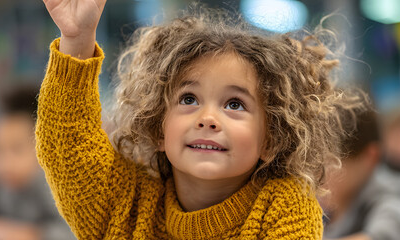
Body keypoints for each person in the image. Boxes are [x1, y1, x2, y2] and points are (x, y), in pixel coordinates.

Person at [37, 0, 363, 238]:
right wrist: (77, 39)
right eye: (188, 99)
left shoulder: (284, 207)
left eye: (234, 104)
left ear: (271, 140)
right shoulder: (126, 202)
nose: (207, 118)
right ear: (159, 128)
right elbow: (68, 144)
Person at [0, 87, 74, 240]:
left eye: (16, 149)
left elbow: (72, 231)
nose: (5, 162)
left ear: (45, 147)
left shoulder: (53, 182)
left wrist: (34, 235)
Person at [321, 108, 400, 240]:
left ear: (371, 157)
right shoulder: (325, 210)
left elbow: (393, 229)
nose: (318, 177)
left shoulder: (390, 194)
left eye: (330, 164)